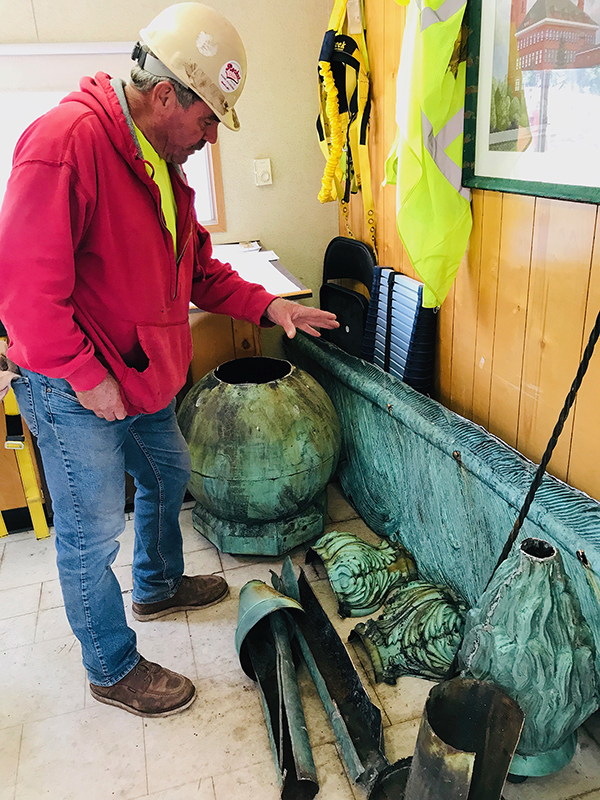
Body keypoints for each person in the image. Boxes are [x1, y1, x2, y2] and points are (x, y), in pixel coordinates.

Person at [0, 2, 338, 718]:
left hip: (142, 375)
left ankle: (156, 585)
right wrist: (89, 381)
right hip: (74, 387)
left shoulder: (159, 164)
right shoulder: (65, 144)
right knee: (92, 534)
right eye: (209, 118)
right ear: (163, 97)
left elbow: (196, 273)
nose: (211, 135)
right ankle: (111, 667)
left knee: (170, 471)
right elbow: (26, 299)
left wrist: (270, 307)